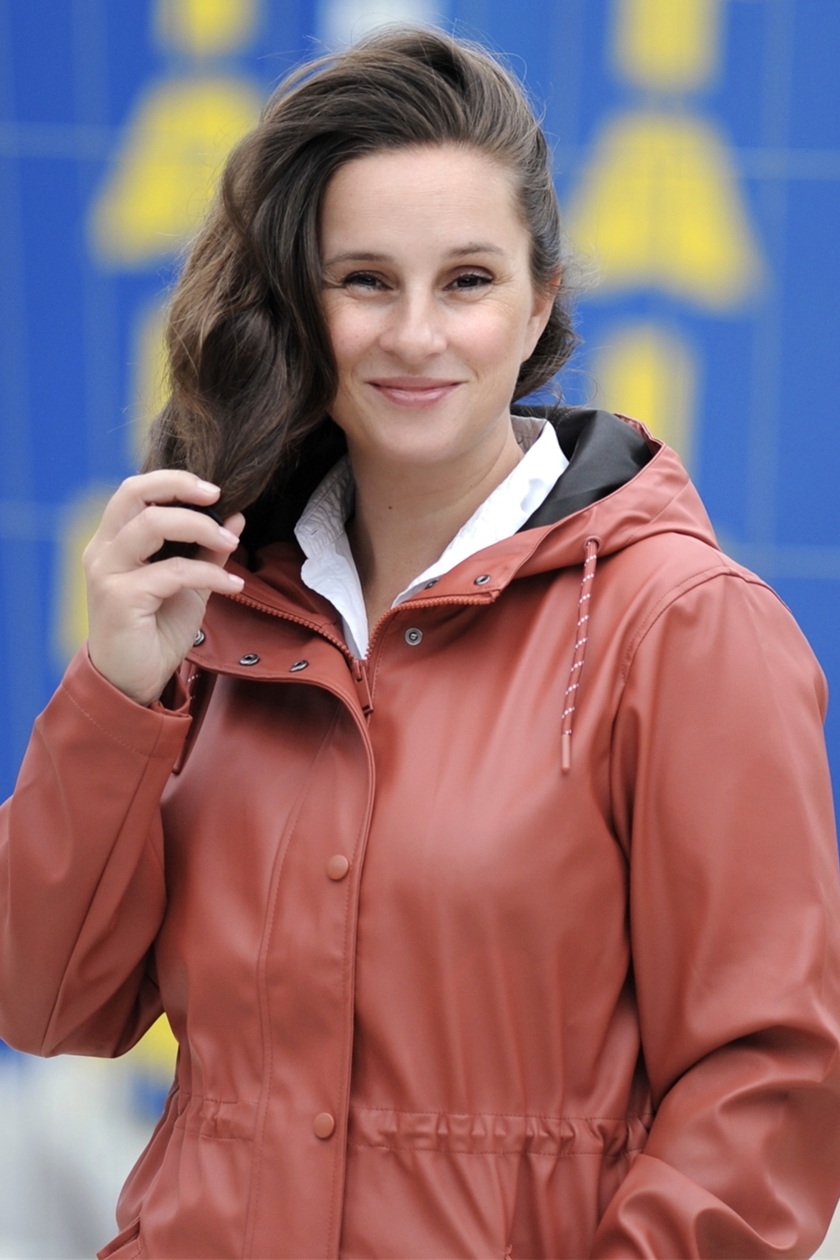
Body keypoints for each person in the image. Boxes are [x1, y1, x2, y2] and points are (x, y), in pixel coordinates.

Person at [2, 26, 840, 1260]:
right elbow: (44, 999)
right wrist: (117, 692)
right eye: (364, 281)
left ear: (538, 302)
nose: (415, 335)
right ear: (304, 304)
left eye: (467, 281)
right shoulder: (220, 604)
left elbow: (762, 1090)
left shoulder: (681, 625)